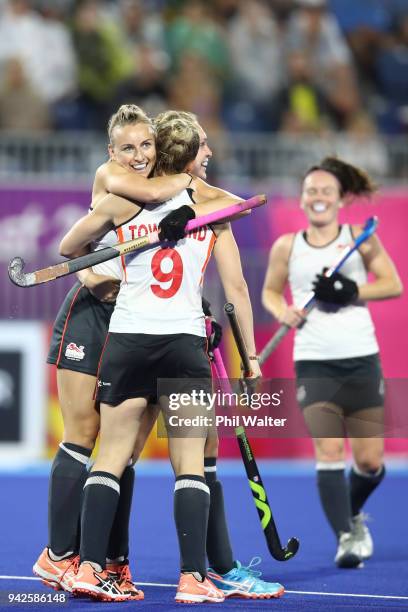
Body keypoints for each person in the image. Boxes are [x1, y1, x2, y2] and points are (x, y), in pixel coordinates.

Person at [58, 116, 265, 603]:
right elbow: (246, 234)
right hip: (181, 344)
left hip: (128, 341)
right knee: (189, 464)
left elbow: (70, 249)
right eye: (203, 148)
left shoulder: (124, 200)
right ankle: (194, 579)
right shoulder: (212, 204)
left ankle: (88, 569)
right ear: (190, 154)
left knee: (110, 457)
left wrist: (98, 278)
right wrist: (193, 200)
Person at [33, 104, 195, 598]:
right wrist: (94, 281)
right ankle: (58, 555)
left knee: (120, 448)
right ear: (111, 151)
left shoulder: (161, 179)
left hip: (138, 321)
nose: (138, 155)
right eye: (128, 147)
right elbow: (75, 252)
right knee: (83, 435)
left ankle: (106, 561)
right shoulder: (115, 176)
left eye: (146, 145)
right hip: (95, 312)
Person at [262, 157, 403, 568]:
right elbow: (271, 292)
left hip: (361, 358)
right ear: (303, 199)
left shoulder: (361, 238)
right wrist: (282, 310)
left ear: (340, 198)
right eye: (311, 191)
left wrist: (348, 289)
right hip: (314, 362)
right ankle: (346, 536)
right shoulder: (287, 246)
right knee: (327, 451)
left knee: (370, 462)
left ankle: (353, 513)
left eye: (326, 190)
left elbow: (392, 284)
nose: (318, 197)